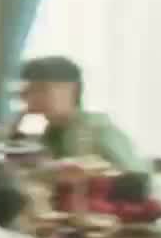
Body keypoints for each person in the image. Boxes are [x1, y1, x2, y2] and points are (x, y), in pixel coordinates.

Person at [15, 55, 147, 172]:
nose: (33, 98)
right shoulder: (42, 134)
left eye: (42, 89)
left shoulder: (98, 131)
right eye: (29, 91)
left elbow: (139, 179)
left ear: (73, 90)